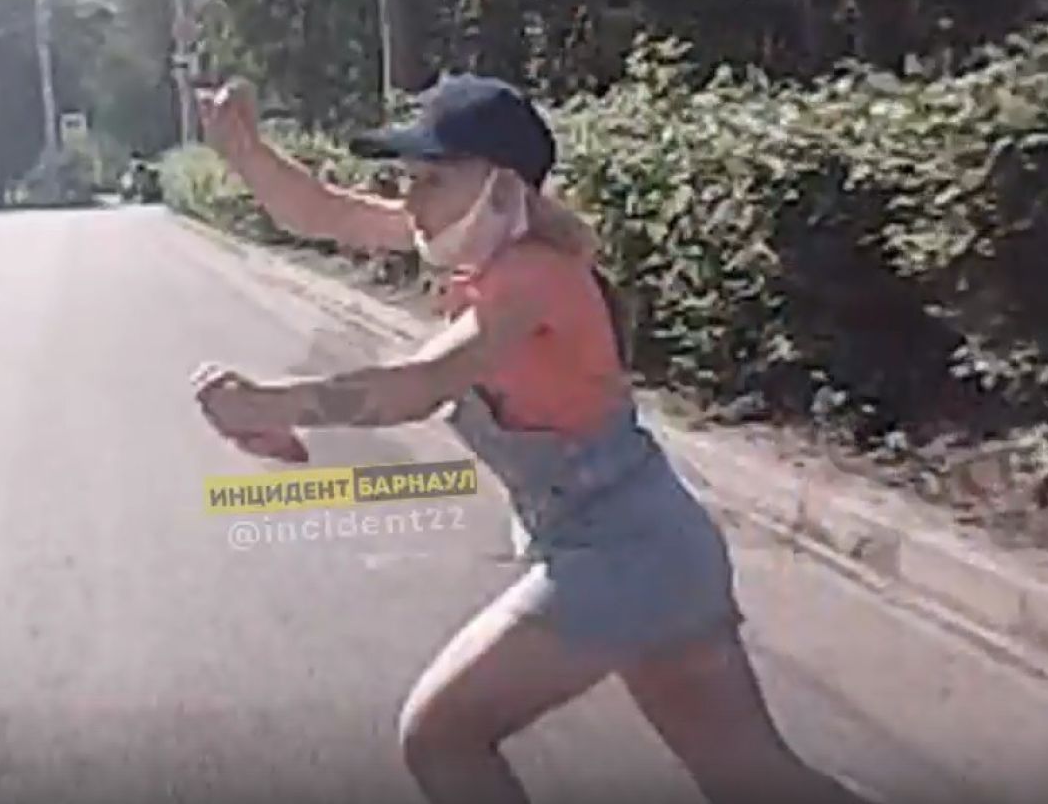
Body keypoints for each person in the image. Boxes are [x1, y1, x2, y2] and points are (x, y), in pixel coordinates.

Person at [190, 73, 874, 804]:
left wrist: (271, 404)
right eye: (407, 177)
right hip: (653, 548)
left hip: (623, 553)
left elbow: (422, 383)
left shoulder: (533, 277)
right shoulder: (487, 247)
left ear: (503, 190)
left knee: (442, 736)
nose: (410, 198)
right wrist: (247, 154)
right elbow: (324, 212)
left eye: (432, 178)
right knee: (758, 781)